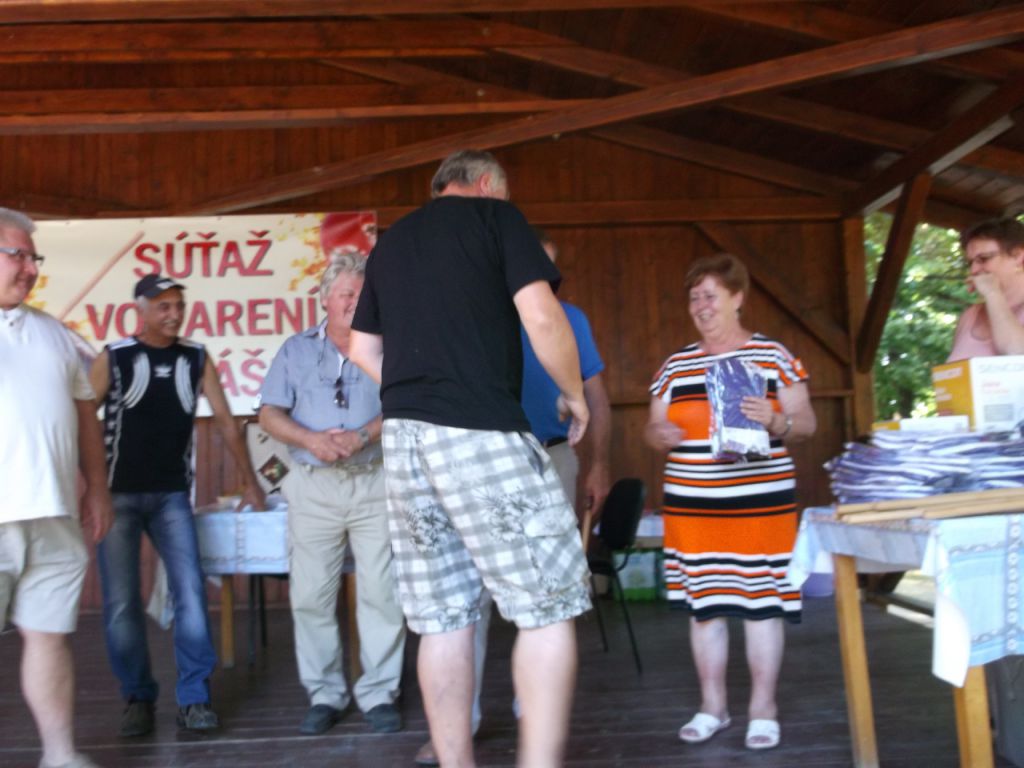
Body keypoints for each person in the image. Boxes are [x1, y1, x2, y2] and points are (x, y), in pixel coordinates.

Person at [349, 149, 592, 768]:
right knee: (547, 607)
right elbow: (542, 317)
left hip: (405, 442)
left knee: (442, 617)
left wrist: (418, 390)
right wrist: (573, 393)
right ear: (486, 184)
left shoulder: (391, 244)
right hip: (481, 429)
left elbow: (360, 348)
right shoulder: (495, 218)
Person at [413, 228, 613, 767]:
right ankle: (461, 724)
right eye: (532, 265)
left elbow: (595, 395)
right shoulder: (475, 316)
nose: (542, 277)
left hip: (552, 458)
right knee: (469, 597)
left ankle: (535, 717)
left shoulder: (570, 319)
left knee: (549, 592)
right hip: (479, 463)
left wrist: (599, 463)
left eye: (550, 268)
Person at [644, 252, 816, 751]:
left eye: (710, 296)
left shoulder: (773, 356)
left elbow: (806, 424)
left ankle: (763, 709)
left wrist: (776, 420)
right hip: (694, 508)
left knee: (762, 606)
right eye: (694, 297)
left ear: (737, 298)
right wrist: (659, 434)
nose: (700, 305)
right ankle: (713, 707)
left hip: (761, 507)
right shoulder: (676, 364)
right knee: (705, 609)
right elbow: (652, 428)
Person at [90, 273, 266, 737]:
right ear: (140, 311)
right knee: (121, 604)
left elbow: (226, 422)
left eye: (178, 306)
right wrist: (90, 489)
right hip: (118, 498)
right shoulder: (113, 357)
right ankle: (137, 697)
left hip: (172, 497)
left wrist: (251, 484)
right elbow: (81, 420)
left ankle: (194, 699)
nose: (173, 314)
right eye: (163, 306)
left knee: (190, 592)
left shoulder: (196, 357)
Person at [258, 254, 406, 736]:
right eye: (346, 294)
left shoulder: (390, 347)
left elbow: (404, 402)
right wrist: (310, 439)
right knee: (310, 595)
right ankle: (324, 694)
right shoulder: (295, 350)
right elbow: (269, 414)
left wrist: (363, 435)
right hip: (313, 485)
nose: (355, 303)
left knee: (382, 593)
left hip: (374, 478)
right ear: (324, 299)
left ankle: (379, 693)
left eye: (363, 296)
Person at [0, 207, 113, 768]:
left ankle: (61, 756)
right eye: (17, 255)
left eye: (33, 257)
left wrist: (98, 489)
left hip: (53, 513)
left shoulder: (55, 334)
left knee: (48, 635)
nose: (30, 268)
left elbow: (85, 413)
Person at [948, 217, 1024, 361]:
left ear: (1018, 255)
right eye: (970, 263)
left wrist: (993, 293)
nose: (974, 270)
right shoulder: (969, 316)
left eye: (984, 259)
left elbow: (1018, 355)